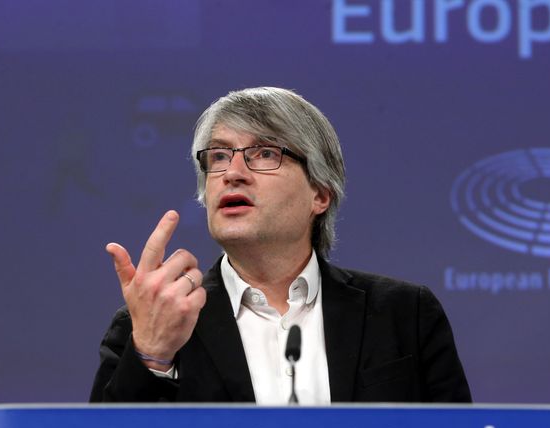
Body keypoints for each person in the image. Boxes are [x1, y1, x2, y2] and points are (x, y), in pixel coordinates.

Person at [90, 87, 471, 404]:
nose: (233, 174)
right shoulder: (152, 324)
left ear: (320, 194)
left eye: (265, 154)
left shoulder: (405, 314)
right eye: (219, 157)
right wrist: (154, 355)